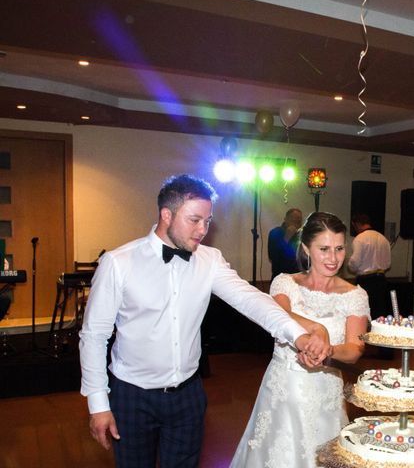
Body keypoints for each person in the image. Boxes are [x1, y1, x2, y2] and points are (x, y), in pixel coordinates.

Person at [79, 174, 330, 468]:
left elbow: (251, 299)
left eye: (208, 221)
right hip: (132, 395)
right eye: (195, 220)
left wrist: (298, 335)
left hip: (188, 396)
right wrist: (98, 404)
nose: (203, 230)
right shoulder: (118, 263)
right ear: (166, 214)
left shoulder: (209, 260)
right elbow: (93, 336)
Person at [230, 211, 370, 468]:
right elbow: (280, 315)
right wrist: (317, 329)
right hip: (282, 394)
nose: (333, 258)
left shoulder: (355, 295)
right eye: (324, 249)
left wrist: (327, 350)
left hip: (325, 395)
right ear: (306, 248)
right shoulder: (285, 284)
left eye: (339, 248)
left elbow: (353, 350)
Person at [348, 213, 392, 320]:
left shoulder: (360, 239)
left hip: (365, 282)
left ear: (357, 224)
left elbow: (355, 261)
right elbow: (388, 263)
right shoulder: (383, 239)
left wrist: (349, 266)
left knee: (364, 313)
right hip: (381, 280)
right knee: (379, 313)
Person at [267, 207, 303, 280]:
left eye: (298, 220)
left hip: (299, 279)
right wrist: (287, 238)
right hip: (281, 278)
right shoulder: (276, 233)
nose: (296, 221)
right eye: (293, 219)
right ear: (285, 219)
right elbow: (273, 257)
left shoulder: (302, 235)